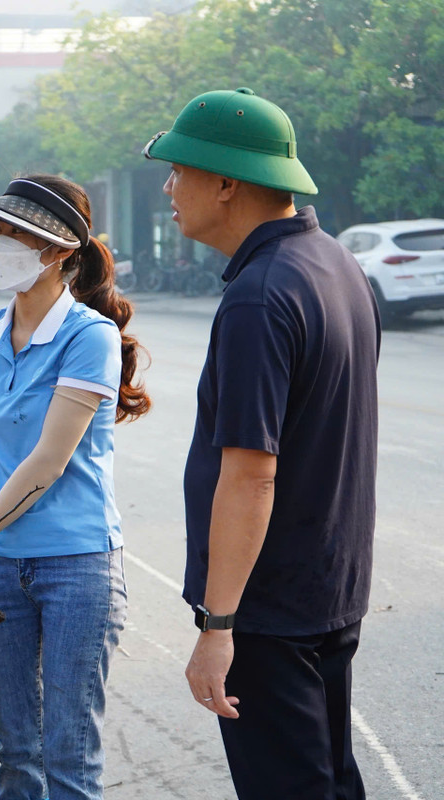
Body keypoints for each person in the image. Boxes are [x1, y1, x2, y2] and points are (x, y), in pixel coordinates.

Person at [142, 88, 380, 799]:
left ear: (225, 182)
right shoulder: (336, 265)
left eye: (180, 169)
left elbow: (250, 475)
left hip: (270, 608)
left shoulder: (260, 295)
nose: (168, 186)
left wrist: (218, 626)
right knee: (329, 779)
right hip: (332, 586)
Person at [0, 175, 150, 800]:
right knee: (17, 752)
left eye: (18, 235)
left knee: (68, 755)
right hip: (2, 568)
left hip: (78, 566)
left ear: (58, 252)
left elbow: (47, 463)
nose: (1, 245)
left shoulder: (88, 337)